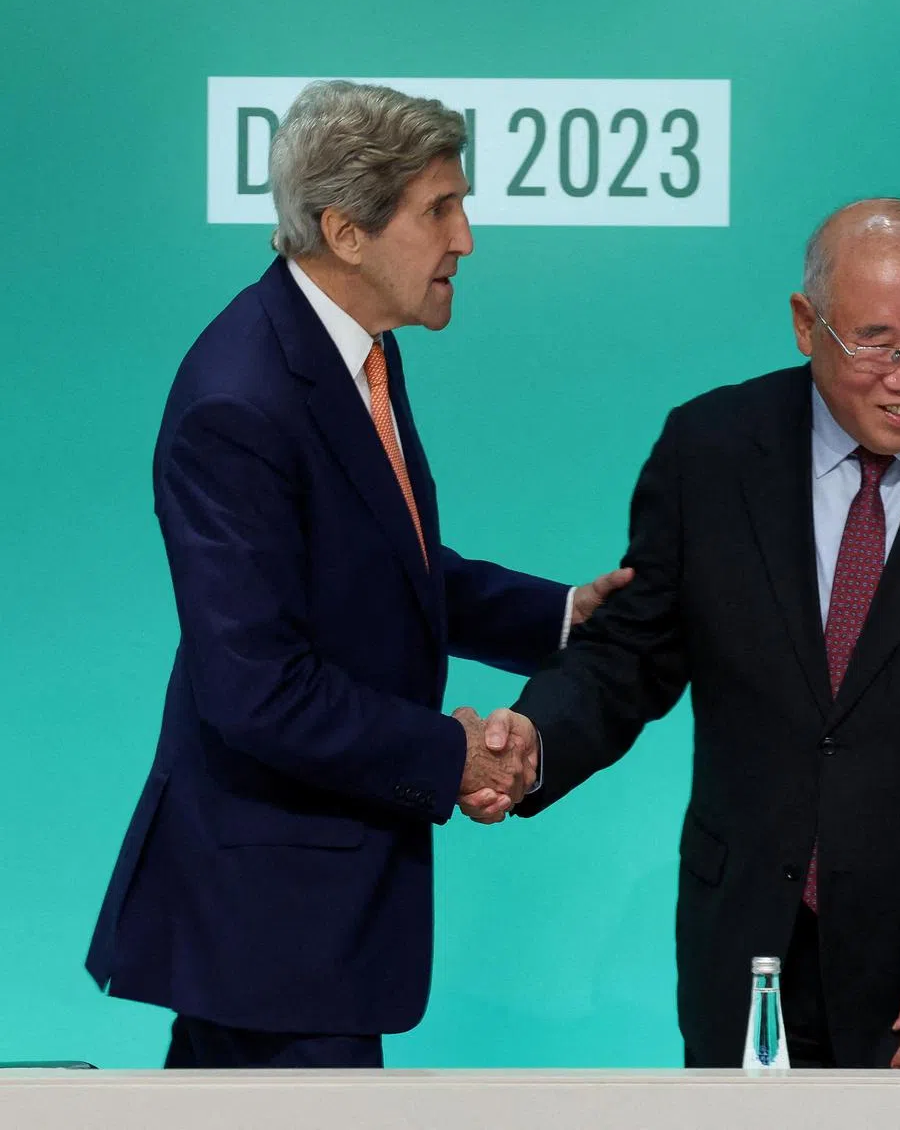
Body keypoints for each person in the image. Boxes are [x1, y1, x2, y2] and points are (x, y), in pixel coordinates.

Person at [472, 199, 900, 1069]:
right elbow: (632, 653)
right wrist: (534, 743)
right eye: (877, 342)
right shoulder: (710, 449)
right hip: (749, 958)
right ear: (807, 325)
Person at [85, 79, 630, 1070]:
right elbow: (257, 690)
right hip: (271, 925)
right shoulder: (239, 401)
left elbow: (385, 569)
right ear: (345, 231)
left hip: (301, 923)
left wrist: (559, 615)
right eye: (440, 210)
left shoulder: (352, 349)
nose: (466, 239)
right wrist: (452, 755)